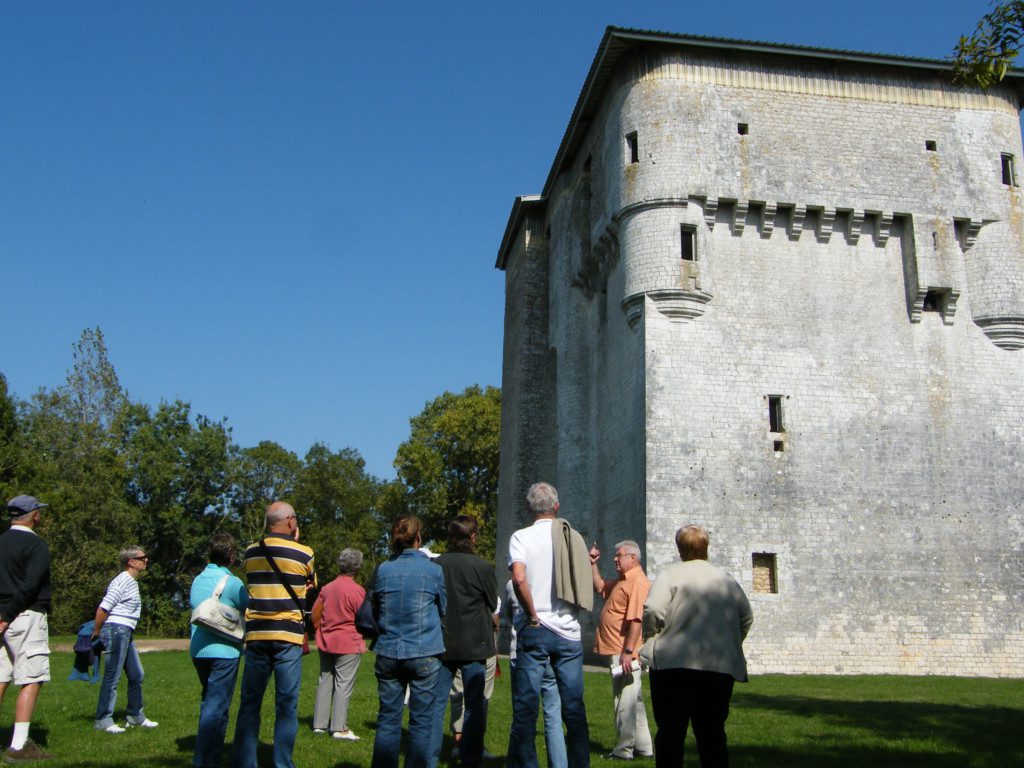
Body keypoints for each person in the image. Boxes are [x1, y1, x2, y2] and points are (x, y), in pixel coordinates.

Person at [641, 525, 753, 768]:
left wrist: (652, 637)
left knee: (671, 733)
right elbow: (745, 617)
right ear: (706, 547)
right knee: (712, 734)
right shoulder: (726, 579)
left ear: (680, 548)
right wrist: (728, 641)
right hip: (717, 665)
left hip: (673, 665)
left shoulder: (670, 574)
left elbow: (652, 610)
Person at [506, 482, 591, 768]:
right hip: (568, 632)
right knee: (574, 710)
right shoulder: (572, 537)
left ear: (529, 508)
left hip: (536, 630)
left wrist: (532, 614)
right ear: (557, 507)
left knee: (527, 710)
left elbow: (519, 578)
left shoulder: (521, 537)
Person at [231, 501, 316, 768]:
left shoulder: (251, 551)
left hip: (257, 635)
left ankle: (245, 762)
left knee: (250, 703)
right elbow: (311, 586)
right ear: (290, 521)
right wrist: (297, 542)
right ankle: (282, 763)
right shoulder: (304, 553)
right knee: (286, 705)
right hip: (288, 636)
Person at [371, 516, 446, 768]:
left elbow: (375, 608)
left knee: (388, 719)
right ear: (418, 539)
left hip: (389, 651)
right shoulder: (434, 570)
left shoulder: (383, 569)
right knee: (422, 723)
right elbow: (443, 608)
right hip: (424, 650)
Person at [429, 515, 497, 768]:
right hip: (474, 643)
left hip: (442, 642)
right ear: (472, 537)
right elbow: (492, 602)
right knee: (475, 705)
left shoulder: (437, 565)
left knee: (437, 704)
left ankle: (430, 757)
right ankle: (471, 757)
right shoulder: (482, 567)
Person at [0, 495, 53, 763]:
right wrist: (8, 615)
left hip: (1, 616)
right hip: (25, 615)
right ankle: (19, 746)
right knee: (31, 678)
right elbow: (31, 584)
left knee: (1, 677)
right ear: (33, 514)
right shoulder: (36, 545)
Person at [589, 539, 654, 760]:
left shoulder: (637, 582)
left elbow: (636, 620)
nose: (615, 558)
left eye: (619, 555)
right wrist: (592, 563)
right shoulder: (622, 581)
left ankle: (623, 750)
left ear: (632, 558)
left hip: (625, 652)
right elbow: (600, 587)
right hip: (620, 650)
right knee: (633, 700)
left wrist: (627, 653)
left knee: (623, 701)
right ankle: (645, 748)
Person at [189, 532, 249, 768]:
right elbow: (249, 607)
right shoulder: (233, 583)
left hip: (199, 648)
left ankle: (214, 754)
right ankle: (204, 759)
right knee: (216, 706)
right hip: (225, 650)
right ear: (232, 556)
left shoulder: (197, 580)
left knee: (212, 702)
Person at [92, 544, 157, 734]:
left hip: (126, 631)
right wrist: (97, 632)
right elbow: (103, 608)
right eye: (142, 557)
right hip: (117, 630)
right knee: (112, 676)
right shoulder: (122, 581)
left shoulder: (132, 582)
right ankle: (103, 719)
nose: (146, 560)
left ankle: (136, 716)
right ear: (131, 562)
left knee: (137, 674)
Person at [502, 580, 567, 768]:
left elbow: (508, 615)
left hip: (522, 650)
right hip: (551, 650)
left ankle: (520, 763)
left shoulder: (513, 583)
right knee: (553, 715)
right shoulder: (552, 580)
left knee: (522, 716)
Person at [311, 547, 367, 740]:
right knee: (343, 684)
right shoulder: (358, 591)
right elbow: (365, 618)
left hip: (326, 640)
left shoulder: (327, 588)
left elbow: (315, 612)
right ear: (357, 567)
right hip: (348, 642)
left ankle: (319, 724)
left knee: (325, 681)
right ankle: (338, 728)